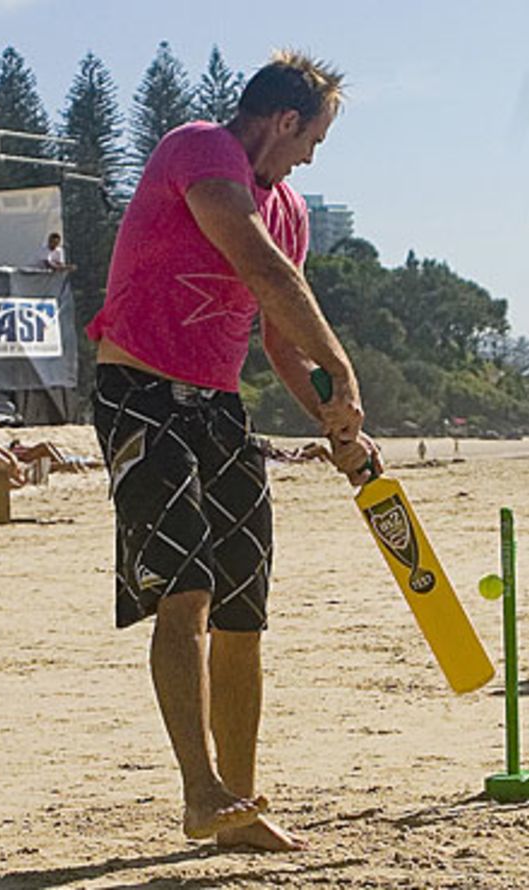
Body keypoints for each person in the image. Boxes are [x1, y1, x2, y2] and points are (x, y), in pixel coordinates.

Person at [86, 50, 377, 851]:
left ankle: (238, 807)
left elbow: (281, 340)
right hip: (139, 395)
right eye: (311, 138)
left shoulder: (292, 209)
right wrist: (345, 367)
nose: (311, 156)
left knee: (244, 607)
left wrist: (336, 421)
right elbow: (256, 264)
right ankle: (199, 792)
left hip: (218, 407)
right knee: (185, 591)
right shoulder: (201, 149)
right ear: (284, 120)